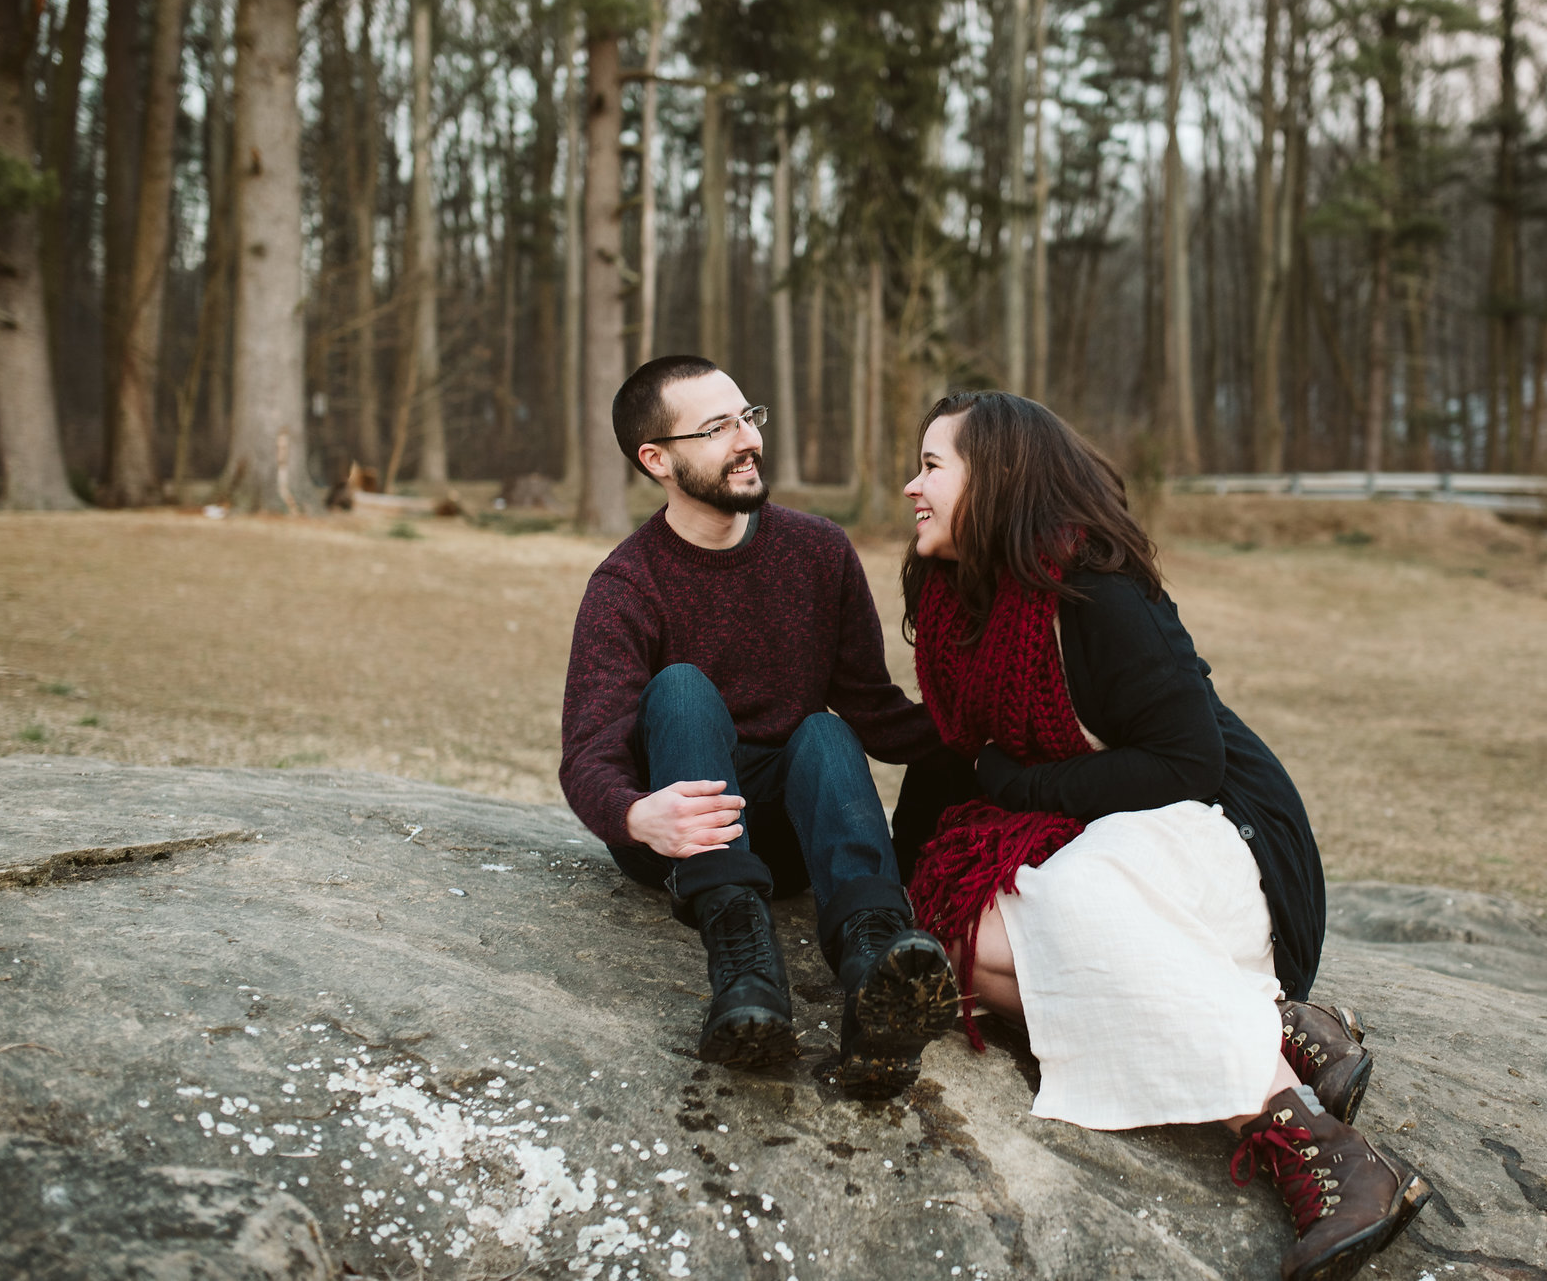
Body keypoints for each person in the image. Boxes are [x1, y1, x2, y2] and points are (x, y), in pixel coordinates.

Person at [898, 390, 1433, 1281]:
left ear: (994, 478)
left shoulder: (1098, 598)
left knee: (1067, 900)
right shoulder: (961, 608)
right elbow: (955, 762)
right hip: (1119, 849)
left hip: (1228, 840)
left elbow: (1187, 760)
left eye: (930, 466)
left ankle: (1316, 1143)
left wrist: (1017, 784)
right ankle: (1278, 1025)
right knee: (960, 937)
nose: (910, 489)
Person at [559, 354, 960, 1098]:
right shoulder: (627, 583)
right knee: (680, 689)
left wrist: (997, 744)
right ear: (658, 460)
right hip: (681, 835)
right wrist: (636, 813)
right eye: (717, 428)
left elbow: (871, 705)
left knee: (826, 732)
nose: (747, 439)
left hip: (785, 833)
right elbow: (588, 752)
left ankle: (877, 965)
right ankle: (744, 968)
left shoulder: (818, 552)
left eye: (749, 417)